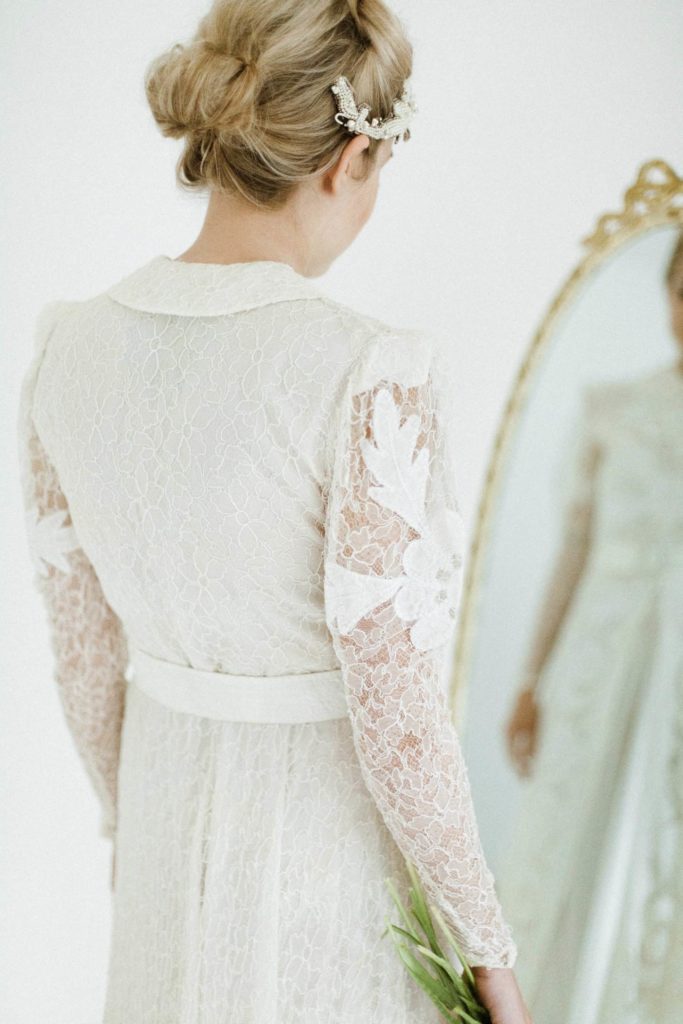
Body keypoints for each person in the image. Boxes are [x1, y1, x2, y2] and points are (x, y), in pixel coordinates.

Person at [16, 1, 531, 1021]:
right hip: (328, 884)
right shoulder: (364, 372)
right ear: (350, 159)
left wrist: (131, 829)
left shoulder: (64, 350)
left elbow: (84, 662)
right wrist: (487, 953)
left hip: (162, 855)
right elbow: (396, 708)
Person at [503, 229, 683, 1024]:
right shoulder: (612, 409)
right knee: (566, 837)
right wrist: (528, 681)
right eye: (682, 291)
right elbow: (570, 555)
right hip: (597, 658)